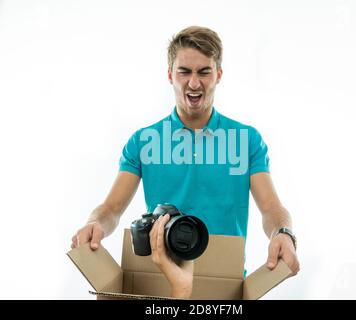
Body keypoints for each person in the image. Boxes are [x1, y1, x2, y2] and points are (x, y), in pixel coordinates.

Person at [71, 26, 300, 299]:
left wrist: (283, 232)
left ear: (219, 75)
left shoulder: (246, 141)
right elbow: (111, 208)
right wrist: (95, 222)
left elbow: (271, 208)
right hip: (161, 281)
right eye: (184, 72)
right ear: (170, 75)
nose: (194, 83)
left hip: (224, 284)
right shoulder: (143, 141)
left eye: (204, 71)